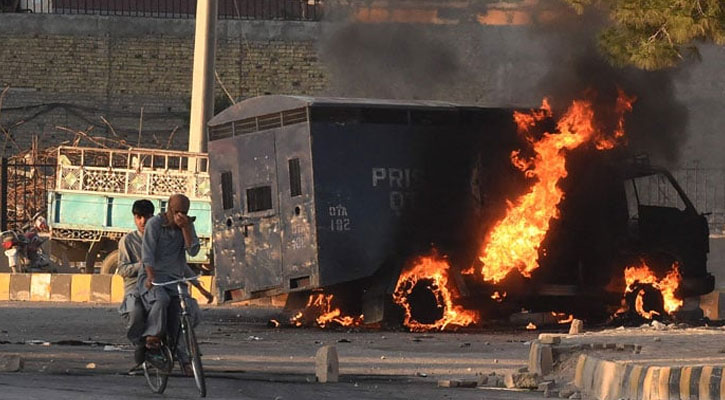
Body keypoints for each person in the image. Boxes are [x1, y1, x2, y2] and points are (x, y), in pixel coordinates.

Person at [138, 194, 213, 373]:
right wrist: (150, 277)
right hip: (153, 278)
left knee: (186, 313)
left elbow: (193, 251)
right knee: (162, 300)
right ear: (169, 209)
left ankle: (185, 357)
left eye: (184, 212)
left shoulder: (187, 224)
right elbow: (147, 254)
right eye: (177, 211)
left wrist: (186, 228)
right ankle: (153, 337)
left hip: (175, 279)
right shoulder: (155, 224)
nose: (180, 215)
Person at [117, 199, 155, 370]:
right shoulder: (127, 241)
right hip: (135, 286)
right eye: (139, 217)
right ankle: (139, 343)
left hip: (156, 284)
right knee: (136, 311)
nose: (143, 221)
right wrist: (143, 266)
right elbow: (122, 270)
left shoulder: (159, 237)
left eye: (146, 217)